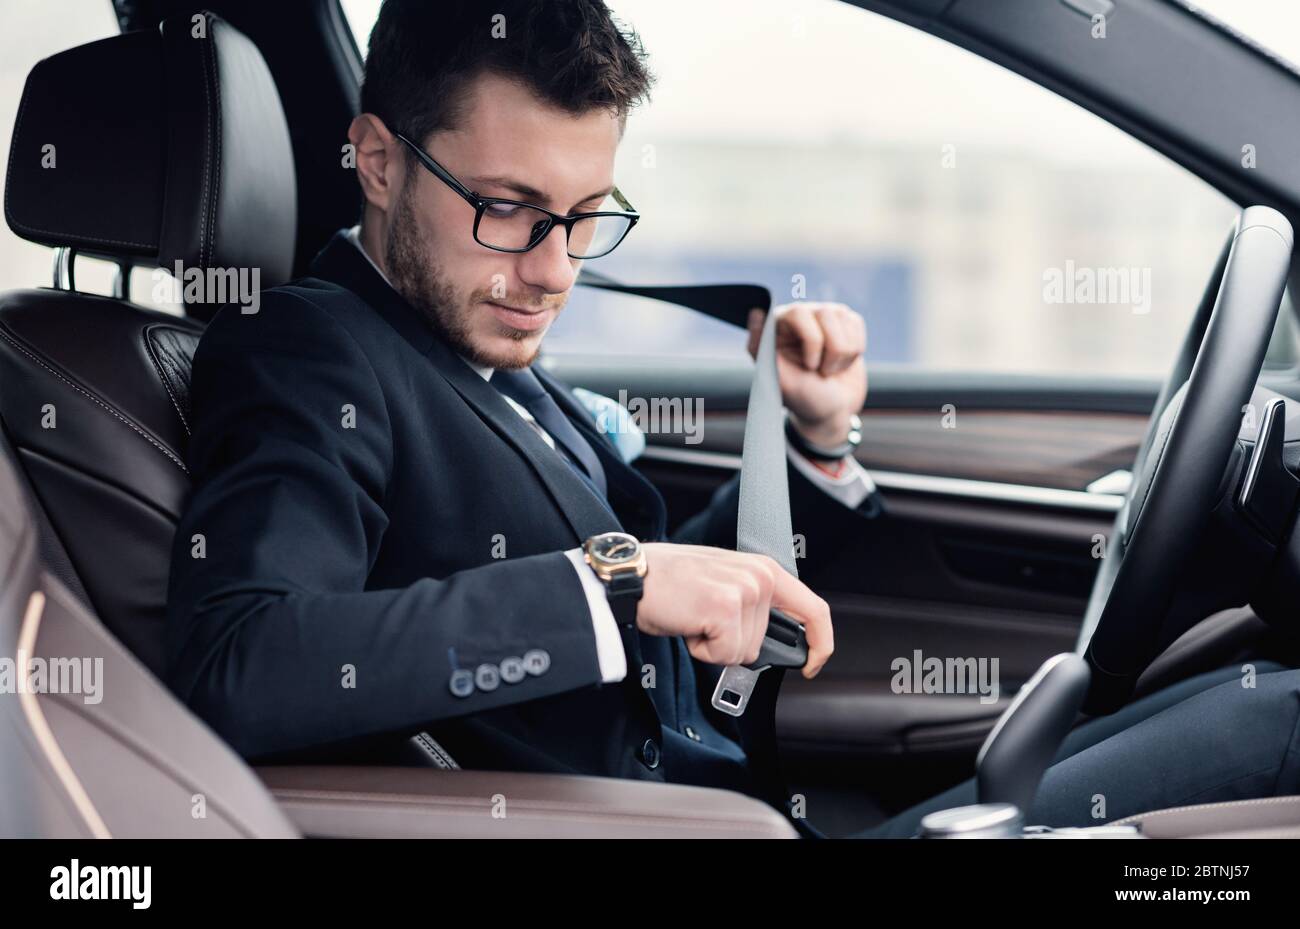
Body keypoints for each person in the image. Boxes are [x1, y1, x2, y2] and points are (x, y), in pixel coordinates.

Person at [166, 0, 1300, 838]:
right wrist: (611, 581)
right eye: (507, 211)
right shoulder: (311, 353)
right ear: (374, 161)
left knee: (1243, 702)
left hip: (737, 811)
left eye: (585, 216)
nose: (554, 269)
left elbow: (652, 584)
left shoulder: (466, 339)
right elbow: (241, 659)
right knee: (1276, 730)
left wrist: (806, 444)